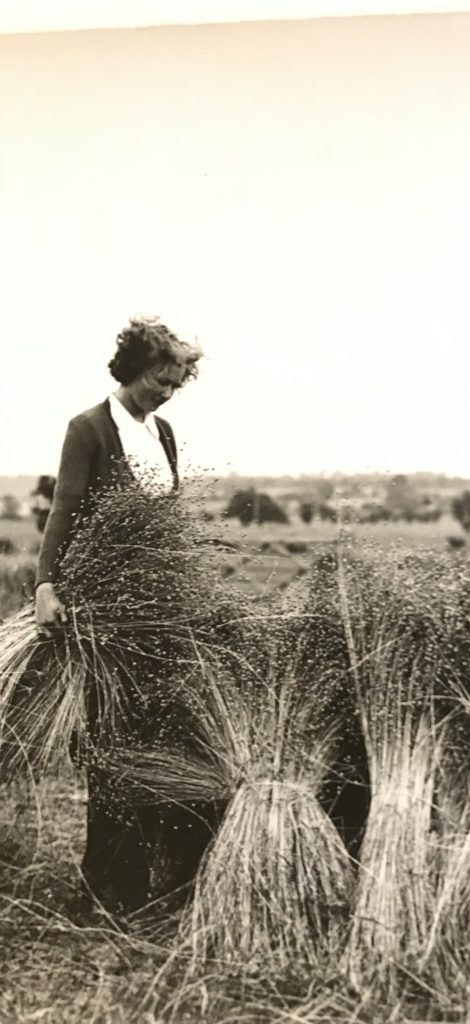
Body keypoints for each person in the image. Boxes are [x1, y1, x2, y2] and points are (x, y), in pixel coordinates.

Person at [35, 316, 217, 917]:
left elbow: (166, 521)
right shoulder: (88, 429)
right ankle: (102, 891)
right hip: (106, 617)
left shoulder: (160, 433)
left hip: (158, 613)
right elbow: (63, 511)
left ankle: (144, 884)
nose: (166, 394)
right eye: (159, 381)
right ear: (133, 369)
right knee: (109, 744)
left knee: (155, 740)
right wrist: (45, 585)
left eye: (176, 385)